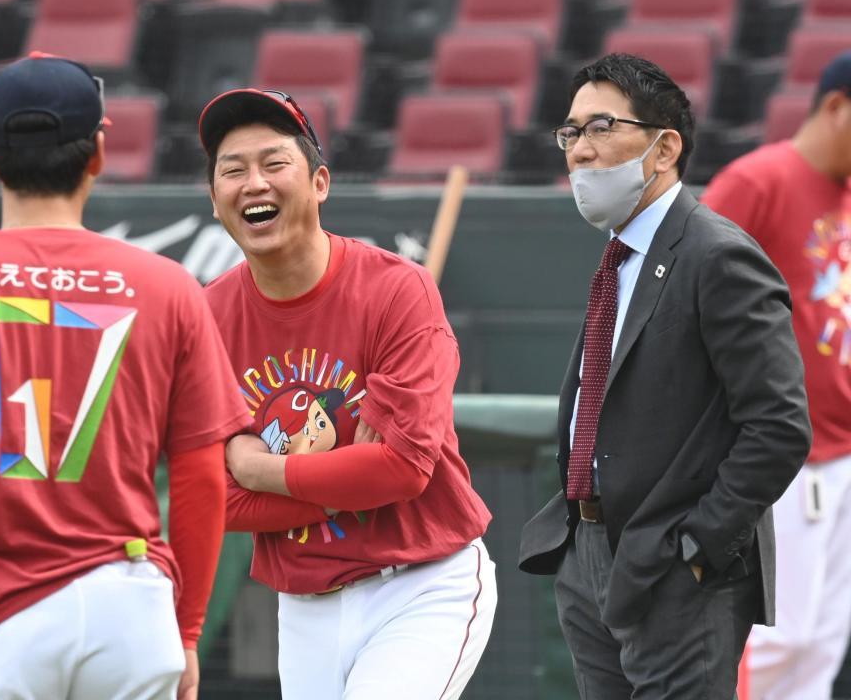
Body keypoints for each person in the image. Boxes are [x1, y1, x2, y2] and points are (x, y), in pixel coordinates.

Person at [0, 54, 251, 699]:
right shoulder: (169, 287)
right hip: (130, 611)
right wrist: (187, 633)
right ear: (99, 153)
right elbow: (201, 477)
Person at [518, 53, 812, 699]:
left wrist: (698, 547)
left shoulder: (718, 254)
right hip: (590, 551)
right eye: (570, 133)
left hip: (675, 569)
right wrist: (577, 542)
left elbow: (780, 426)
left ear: (663, 148)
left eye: (600, 128)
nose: (580, 151)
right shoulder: (619, 253)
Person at [198, 88, 497, 700]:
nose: (253, 182)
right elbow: (211, 495)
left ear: (320, 183)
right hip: (304, 601)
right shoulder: (207, 316)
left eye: (275, 163)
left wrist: (261, 467)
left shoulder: (397, 290)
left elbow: (404, 467)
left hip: (419, 582)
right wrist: (343, 482)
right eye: (233, 170)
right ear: (215, 200)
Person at [701, 50, 851, 699]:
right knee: (773, 638)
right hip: (778, 450)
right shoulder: (757, 181)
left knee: (820, 643)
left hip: (841, 452)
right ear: (838, 108)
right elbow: (685, 297)